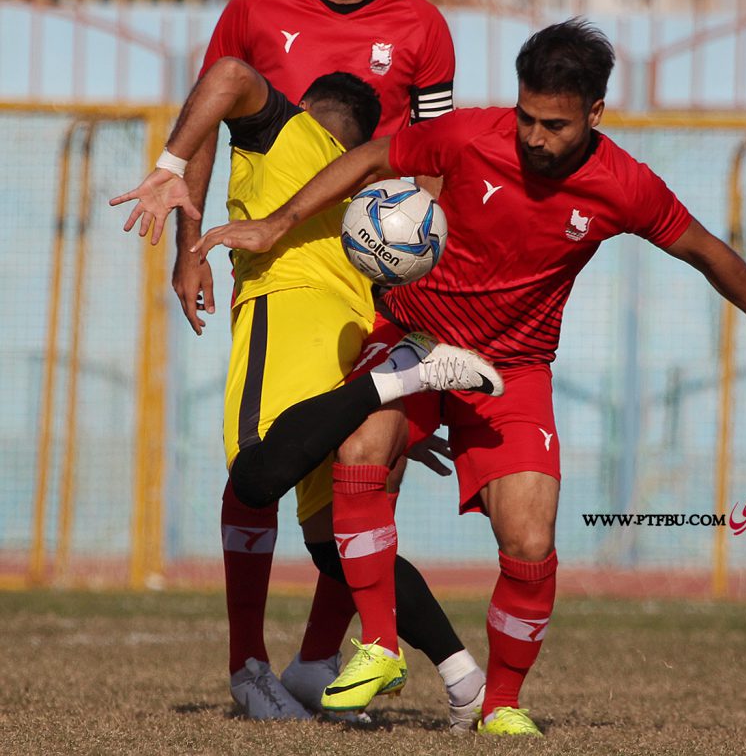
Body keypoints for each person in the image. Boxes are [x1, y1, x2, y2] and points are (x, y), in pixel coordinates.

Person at [192, 19, 746, 735]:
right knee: (359, 449)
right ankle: (378, 643)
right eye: (527, 116)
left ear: (595, 113)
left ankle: (498, 702)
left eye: (555, 125)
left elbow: (704, 248)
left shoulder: (624, 184)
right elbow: (378, 154)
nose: (534, 136)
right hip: (416, 335)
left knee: (530, 539)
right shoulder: (472, 135)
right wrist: (278, 222)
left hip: (513, 367)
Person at [170, 0, 484, 726]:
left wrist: (421, 285)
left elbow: (435, 165)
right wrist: (188, 249)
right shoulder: (254, 14)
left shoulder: (422, 28)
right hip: (277, 273)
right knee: (318, 498)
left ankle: (288, 667)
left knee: (342, 489)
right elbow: (213, 118)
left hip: (370, 294)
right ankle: (356, 670)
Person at [110, 57, 499, 722]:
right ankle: (467, 680)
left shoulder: (286, 132)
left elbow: (230, 72)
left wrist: (171, 167)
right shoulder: (361, 197)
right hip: (342, 345)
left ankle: (249, 670)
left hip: (284, 322)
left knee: (254, 479)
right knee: (332, 548)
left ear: (310, 108)